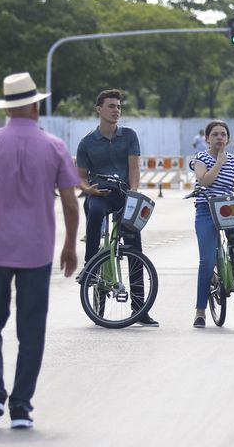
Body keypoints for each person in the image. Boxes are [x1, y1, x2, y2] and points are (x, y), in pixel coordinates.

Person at [0, 72, 80, 430]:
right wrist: (70, 245)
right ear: (33, 105)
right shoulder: (55, 146)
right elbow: (72, 205)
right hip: (37, 250)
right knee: (31, 330)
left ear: (8, 108)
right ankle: (22, 407)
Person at [75, 89, 156, 327]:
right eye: (111, 106)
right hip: (98, 193)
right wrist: (89, 190)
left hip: (123, 194)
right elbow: (79, 177)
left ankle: (139, 308)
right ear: (99, 110)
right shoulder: (87, 142)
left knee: (134, 247)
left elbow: (134, 169)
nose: (116, 110)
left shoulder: (129, 135)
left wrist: (133, 194)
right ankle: (90, 264)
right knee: (96, 210)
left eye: (119, 106)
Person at [188, 120, 234, 328]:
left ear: (229, 139)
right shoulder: (200, 159)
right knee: (206, 260)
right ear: (207, 138)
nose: (219, 138)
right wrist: (219, 163)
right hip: (206, 208)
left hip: (228, 209)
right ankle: (200, 311)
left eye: (223, 134)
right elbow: (204, 181)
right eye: (215, 134)